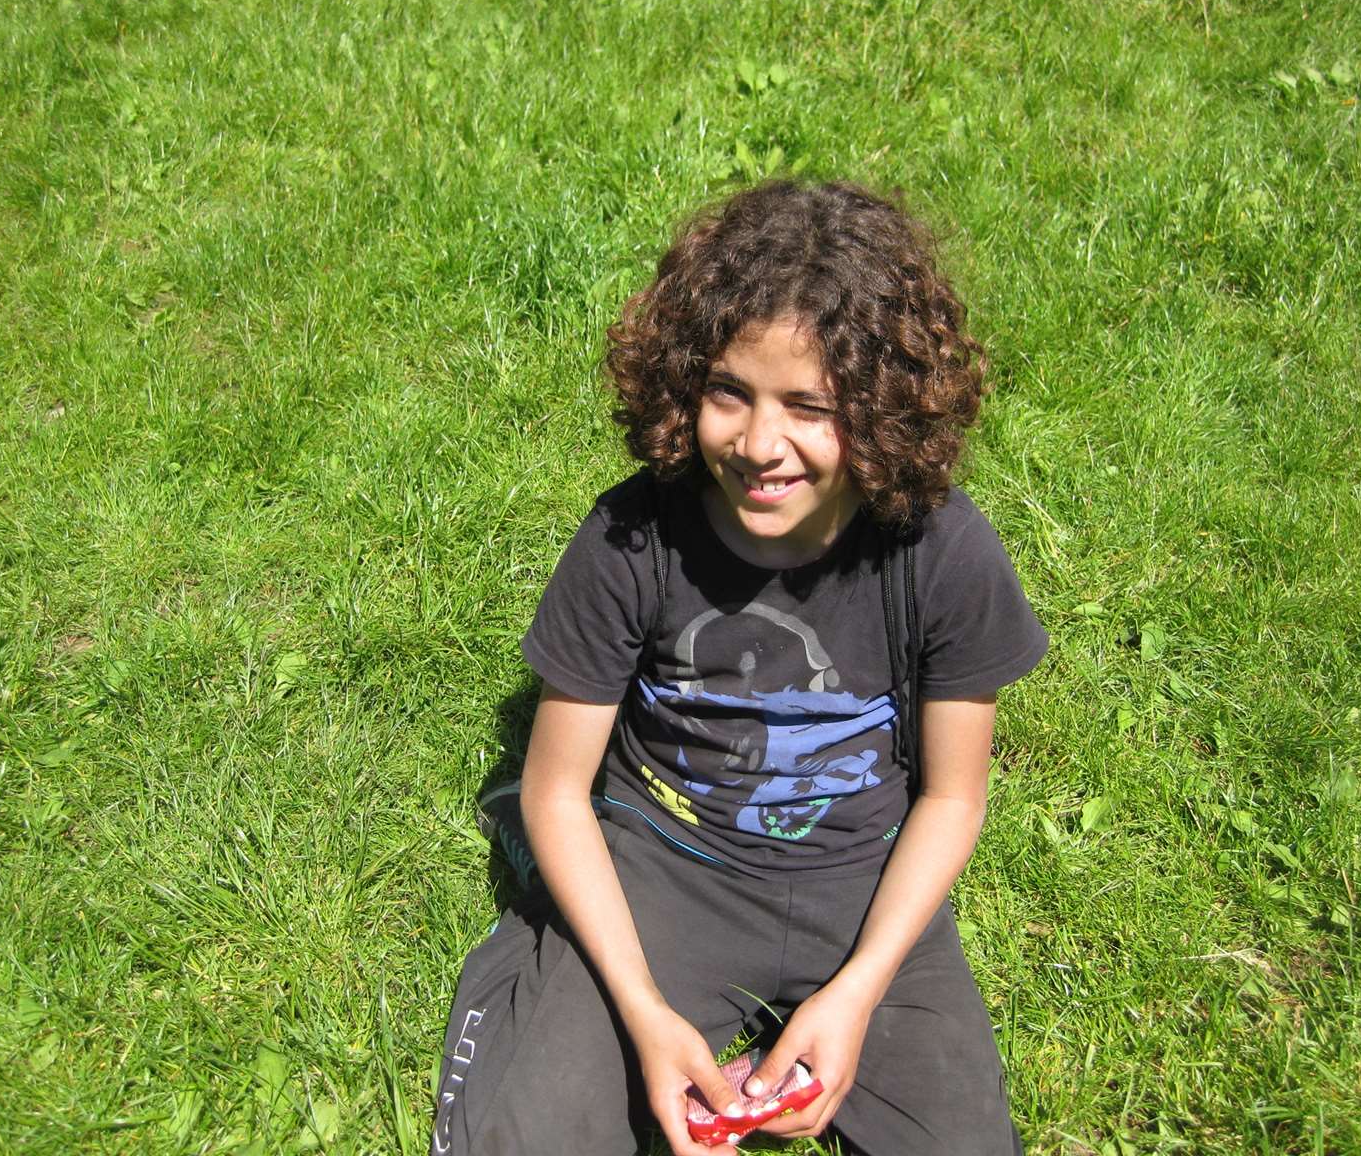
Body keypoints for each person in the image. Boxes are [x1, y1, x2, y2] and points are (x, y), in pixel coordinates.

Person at [431, 180, 1049, 1156]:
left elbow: (952, 797)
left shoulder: (941, 550)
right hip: (667, 872)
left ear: (883, 406)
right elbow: (556, 791)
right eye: (729, 392)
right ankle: (542, 950)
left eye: (810, 406)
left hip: (863, 878)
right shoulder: (631, 539)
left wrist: (858, 991)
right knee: (525, 1133)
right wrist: (642, 1013)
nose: (761, 445)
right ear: (683, 379)